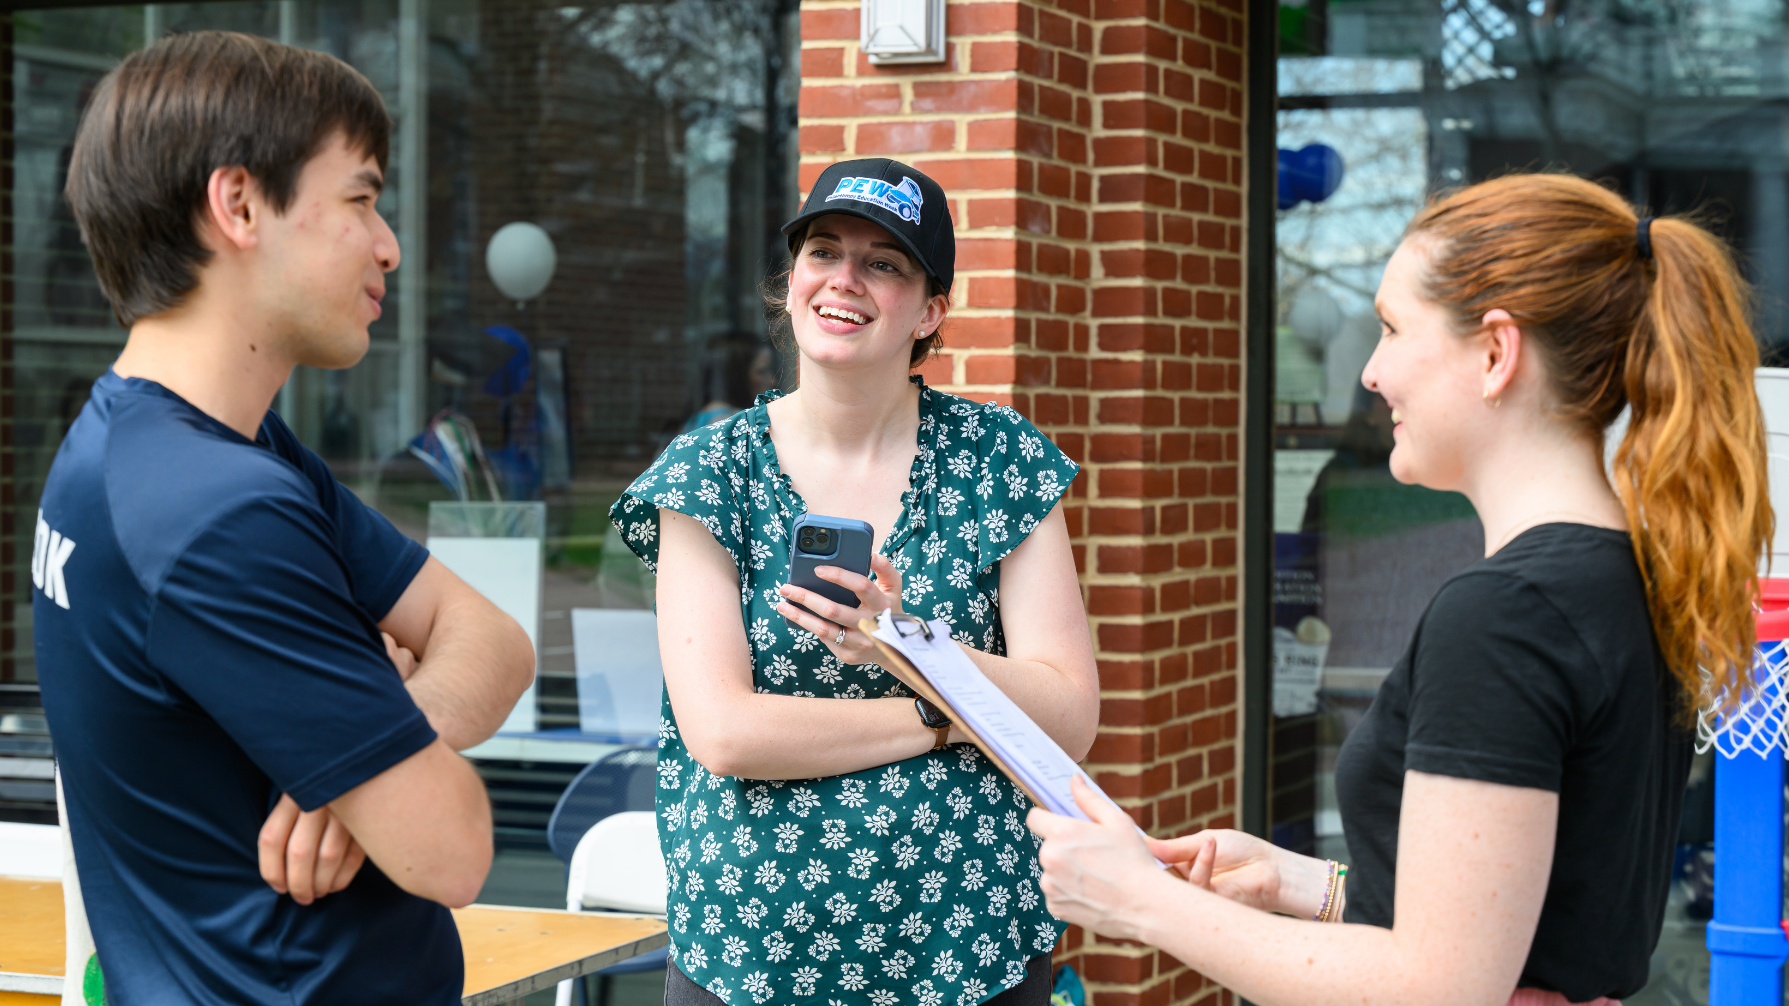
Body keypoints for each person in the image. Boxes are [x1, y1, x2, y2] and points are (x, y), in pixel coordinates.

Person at [1027, 173, 1772, 1006]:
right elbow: (1537, 917)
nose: (1371, 372)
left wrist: (1141, 903)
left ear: (1495, 353)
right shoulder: (1625, 574)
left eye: (1390, 328)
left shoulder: (1504, 616)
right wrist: (1301, 885)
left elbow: (1438, 988)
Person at [36, 31, 535, 1004]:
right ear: (239, 205)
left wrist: (363, 756)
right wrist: (377, 749)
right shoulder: (215, 510)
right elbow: (454, 850)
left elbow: (495, 640)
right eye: (359, 198)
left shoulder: (168, 444)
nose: (388, 243)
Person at [609, 157, 1100, 1006]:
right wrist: (941, 712)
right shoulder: (707, 471)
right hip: (751, 953)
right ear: (791, 280)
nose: (844, 280)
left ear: (930, 310)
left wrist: (904, 642)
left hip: (970, 942)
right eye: (823, 251)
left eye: (883, 263)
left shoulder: (999, 459)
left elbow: (1068, 714)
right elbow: (724, 733)